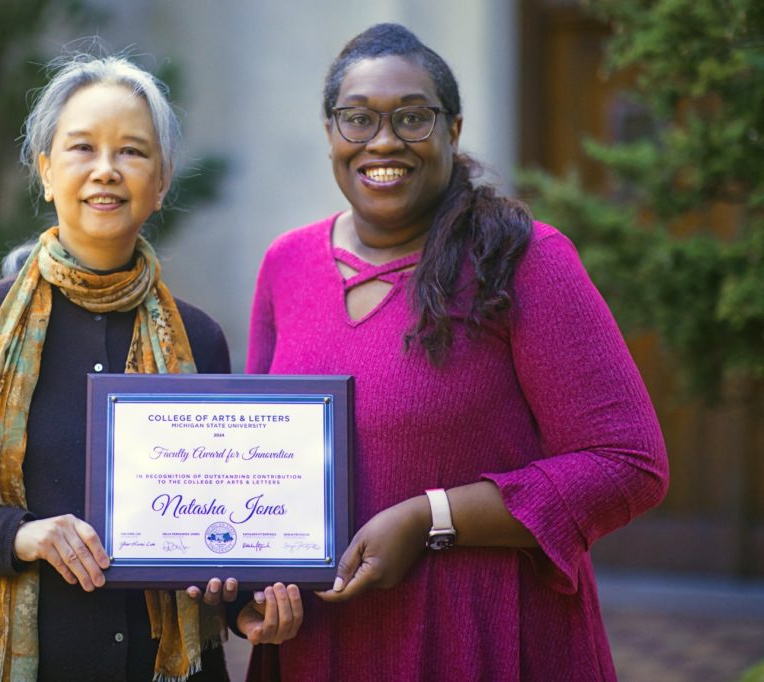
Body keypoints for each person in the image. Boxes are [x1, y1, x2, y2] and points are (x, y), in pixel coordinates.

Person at [0, 53, 300, 682]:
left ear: (163, 180)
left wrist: (247, 606)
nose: (107, 170)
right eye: (83, 147)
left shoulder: (198, 338)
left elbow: (217, 530)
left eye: (133, 152)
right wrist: (17, 536)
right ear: (46, 170)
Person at [245, 23, 668, 681]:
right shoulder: (286, 264)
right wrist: (247, 590)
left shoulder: (524, 259)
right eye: (358, 119)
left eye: (412, 117)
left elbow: (628, 461)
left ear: (453, 128)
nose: (383, 140)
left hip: (476, 636)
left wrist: (431, 517)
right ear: (330, 132)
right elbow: (264, 465)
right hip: (322, 640)